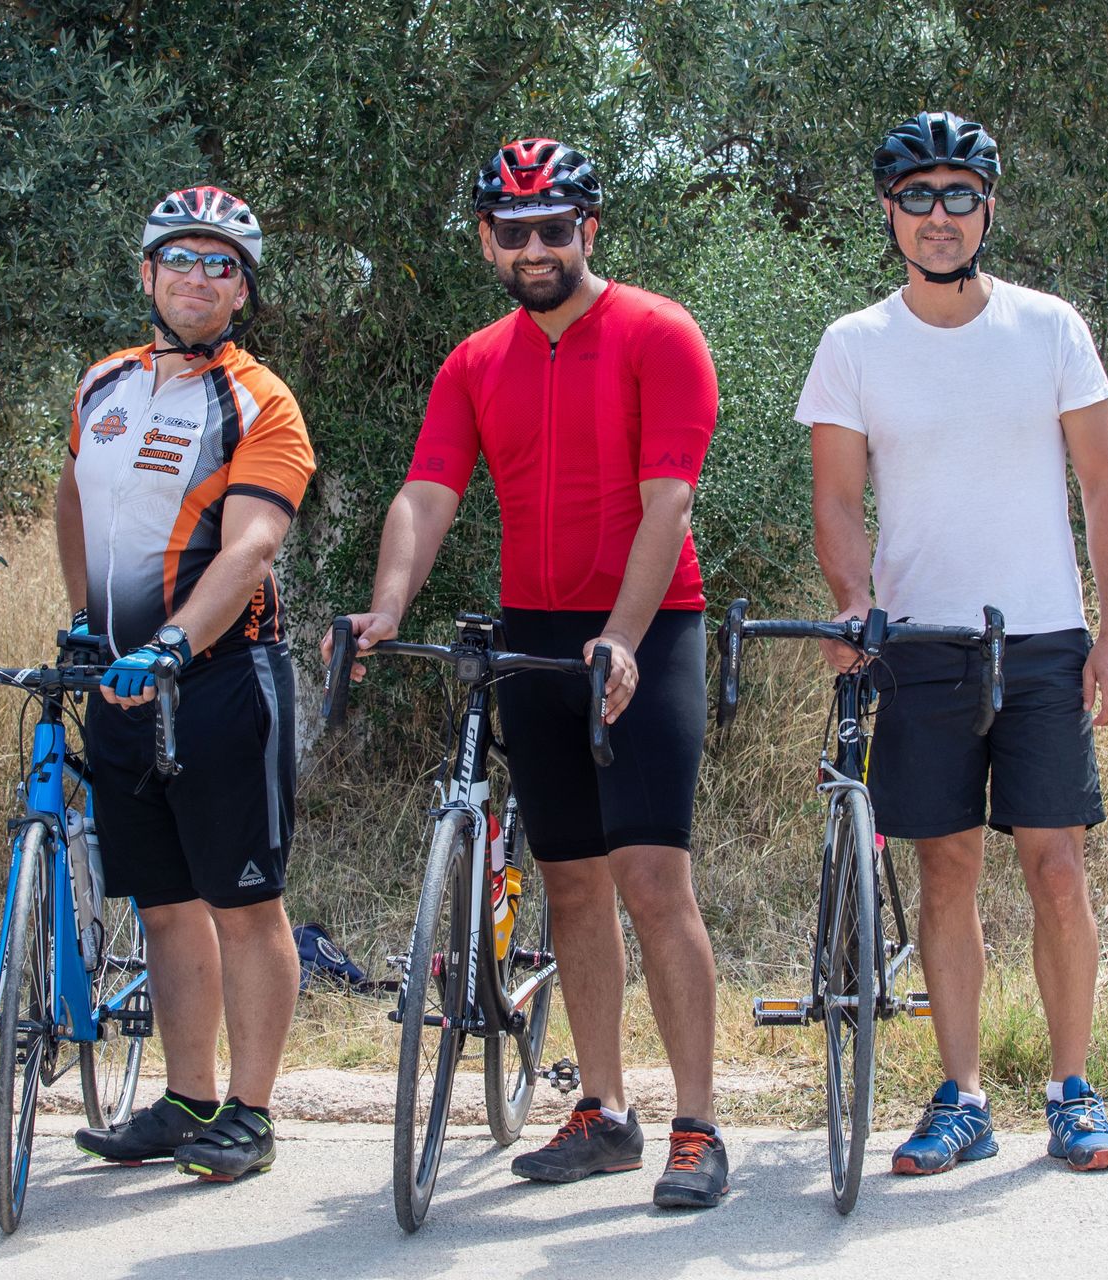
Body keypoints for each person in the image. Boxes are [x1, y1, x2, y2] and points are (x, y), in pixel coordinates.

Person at [327, 139, 729, 1209]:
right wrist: (388, 605)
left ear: (589, 230)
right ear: (486, 241)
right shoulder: (474, 359)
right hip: (532, 632)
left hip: (651, 623)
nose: (537, 246)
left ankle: (697, 1122)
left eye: (557, 227)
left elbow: (669, 503)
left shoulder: (659, 332)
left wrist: (627, 637)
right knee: (570, 882)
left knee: (652, 875)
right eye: (516, 231)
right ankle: (603, 1107)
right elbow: (426, 492)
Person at [797, 110, 1108, 1175]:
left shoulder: (1048, 327)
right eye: (917, 197)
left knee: (1057, 868)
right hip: (922, 641)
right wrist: (854, 600)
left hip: (1041, 637)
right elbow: (839, 498)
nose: (937, 216)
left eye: (958, 195)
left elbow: (1104, 485)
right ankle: (964, 1094)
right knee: (945, 869)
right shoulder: (855, 343)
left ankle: (1072, 1090)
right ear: (889, 213)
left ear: (987, 205)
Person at [64, 186, 316, 1183]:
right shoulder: (101, 384)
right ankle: (186, 1097)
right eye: (181, 259)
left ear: (243, 288)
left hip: (221, 679)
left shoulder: (262, 398)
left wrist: (169, 643)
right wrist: (88, 618)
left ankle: (250, 1111)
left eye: (221, 264)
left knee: (244, 902)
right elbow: (74, 498)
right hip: (118, 682)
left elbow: (252, 543)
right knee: (165, 904)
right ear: (147, 274)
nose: (199, 279)